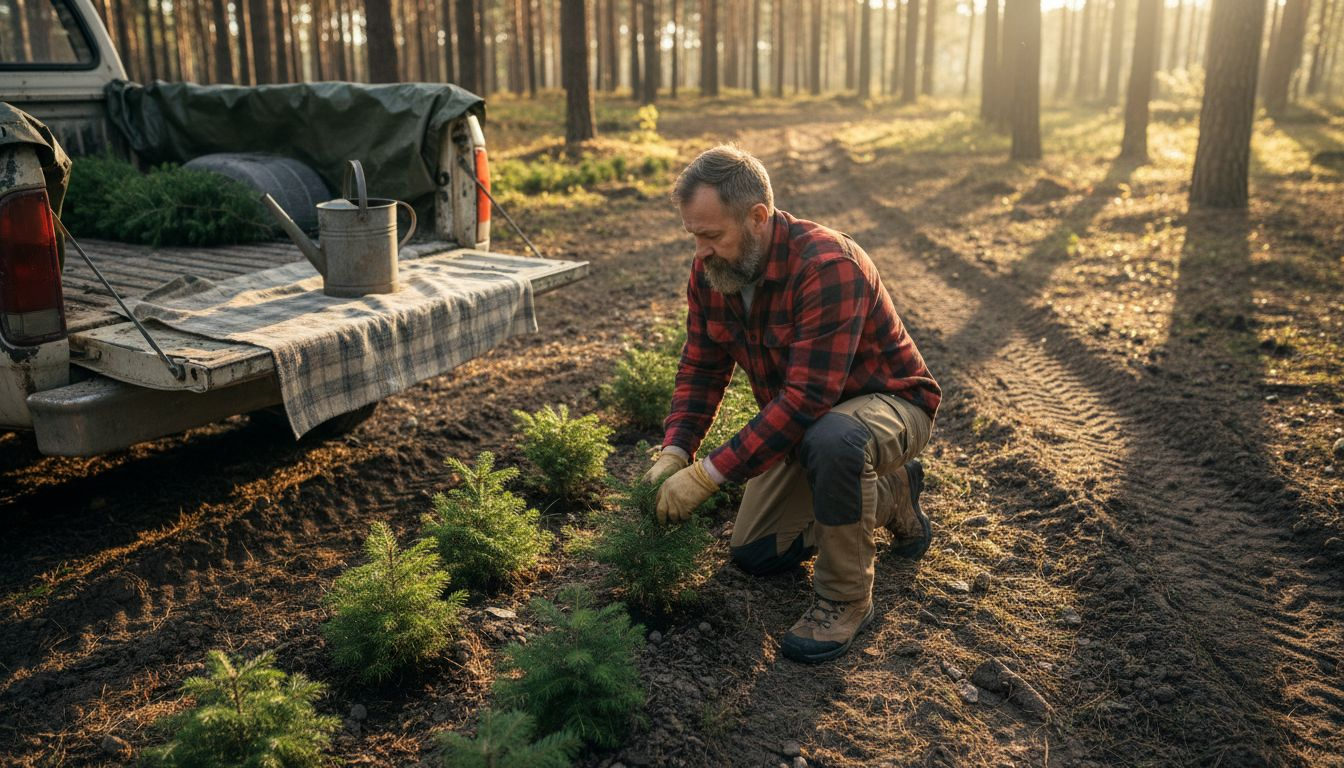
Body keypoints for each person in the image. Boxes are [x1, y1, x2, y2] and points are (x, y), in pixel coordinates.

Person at [643, 145, 941, 664]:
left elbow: (807, 399)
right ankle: (889, 494)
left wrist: (709, 474)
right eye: (693, 235)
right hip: (809, 429)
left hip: (888, 406)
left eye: (712, 235)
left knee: (835, 438)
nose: (700, 252)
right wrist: (676, 449)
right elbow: (701, 366)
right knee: (757, 553)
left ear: (757, 218)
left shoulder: (826, 265)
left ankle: (844, 599)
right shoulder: (714, 273)